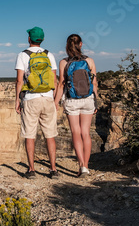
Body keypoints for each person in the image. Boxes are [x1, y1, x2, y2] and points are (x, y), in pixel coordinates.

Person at [15, 27, 59, 179]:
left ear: (29, 39)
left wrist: (17, 100)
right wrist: (54, 99)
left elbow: (20, 80)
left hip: (30, 98)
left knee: (30, 135)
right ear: (42, 39)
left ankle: (31, 170)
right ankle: (53, 169)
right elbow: (54, 80)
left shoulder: (23, 55)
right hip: (48, 98)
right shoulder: (49, 55)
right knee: (50, 135)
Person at [54, 34, 98, 178]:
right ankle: (86, 165)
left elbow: (61, 84)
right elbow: (94, 83)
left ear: (67, 46)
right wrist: (96, 100)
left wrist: (56, 102)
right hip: (88, 99)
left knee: (75, 132)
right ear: (81, 44)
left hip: (72, 100)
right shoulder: (89, 61)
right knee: (86, 133)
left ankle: (81, 166)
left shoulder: (63, 63)